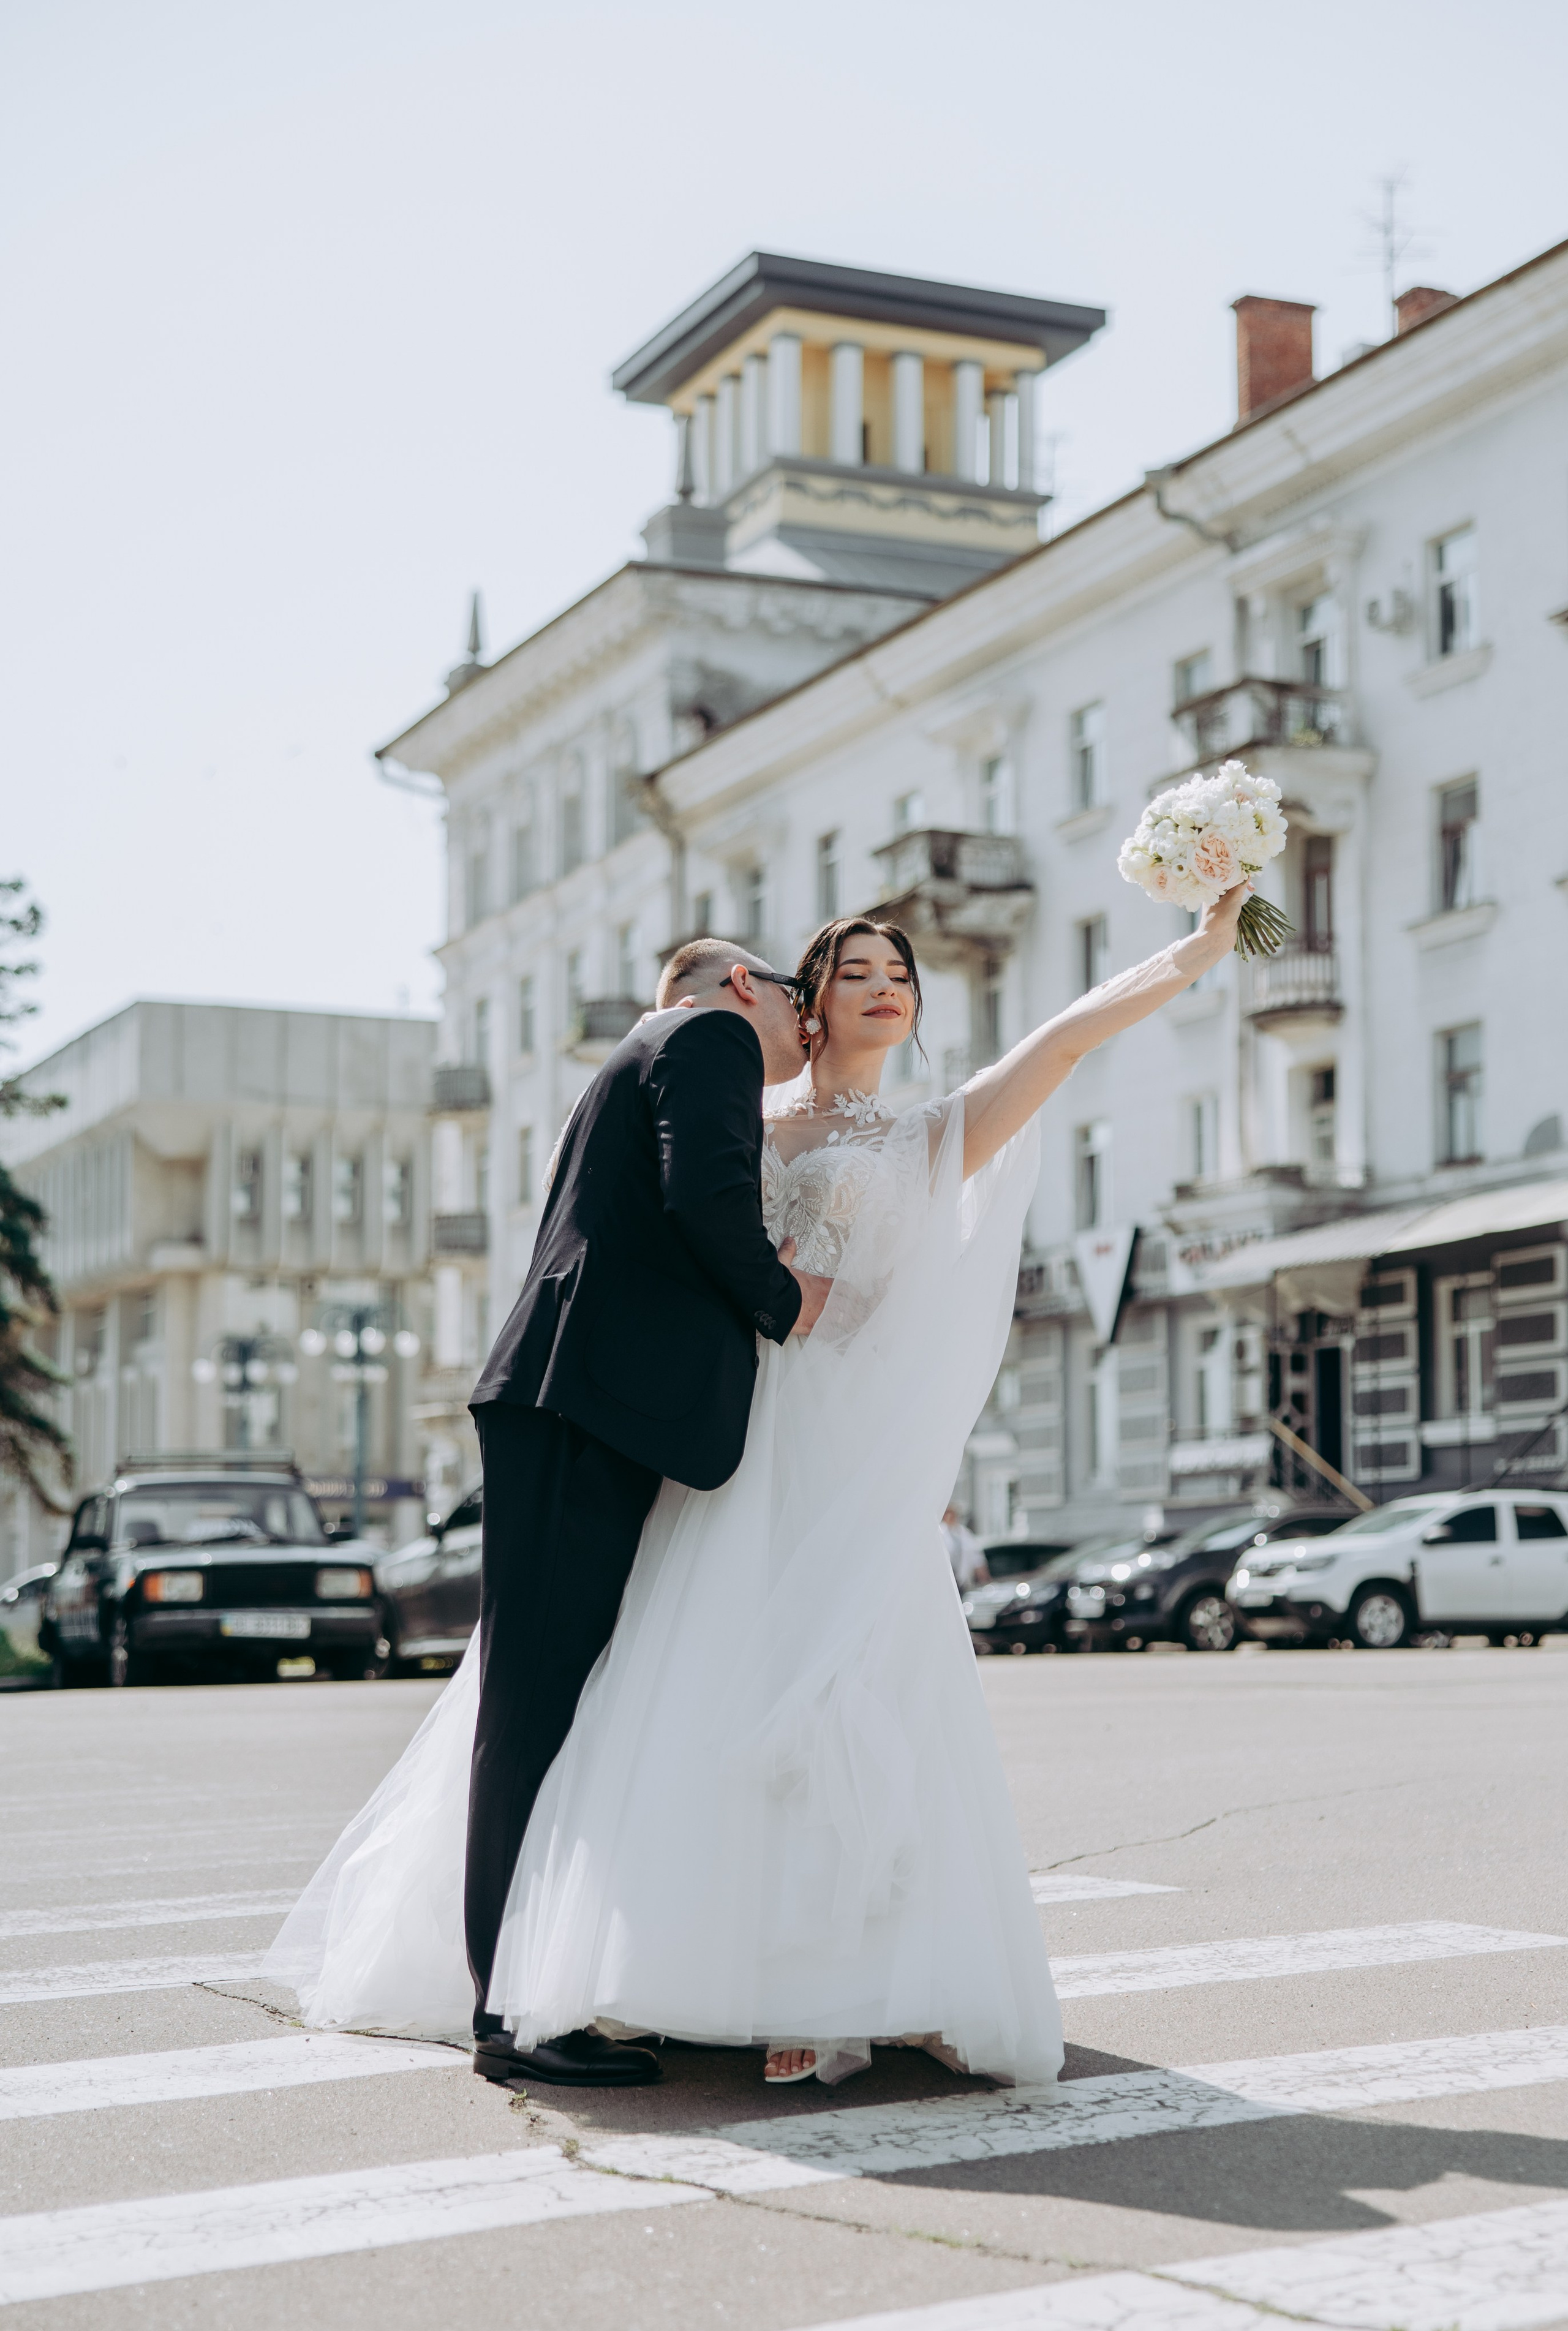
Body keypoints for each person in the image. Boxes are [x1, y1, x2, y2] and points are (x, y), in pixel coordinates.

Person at [268, 883, 1245, 2089]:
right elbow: (672, 1214)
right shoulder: (735, 1093)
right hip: (723, 1429)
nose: (883, 984)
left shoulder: (933, 1129)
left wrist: (1191, 951)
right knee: (677, 1684)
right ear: (802, 1002)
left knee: (863, 1691)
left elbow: (1066, 1036)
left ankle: (872, 1976)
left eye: (900, 971)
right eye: (850, 971)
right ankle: (640, 1963)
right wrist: (777, 1295)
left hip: (850, 1450)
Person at [941, 1504, 988, 1590]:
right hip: (946, 1579)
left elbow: (977, 1557)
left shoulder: (964, 1533)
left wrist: (983, 1576)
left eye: (952, 1514)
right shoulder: (940, 1533)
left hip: (964, 1581)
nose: (950, 1517)